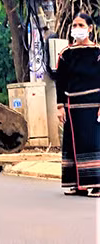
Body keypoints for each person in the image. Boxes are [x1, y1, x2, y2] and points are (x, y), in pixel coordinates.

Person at [54, 13, 100, 197]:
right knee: (73, 144)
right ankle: (77, 184)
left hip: (94, 105)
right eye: (74, 25)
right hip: (72, 106)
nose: (77, 28)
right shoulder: (66, 54)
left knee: (93, 143)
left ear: (90, 28)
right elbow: (61, 81)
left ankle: (96, 184)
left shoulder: (97, 53)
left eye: (81, 25)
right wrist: (60, 106)